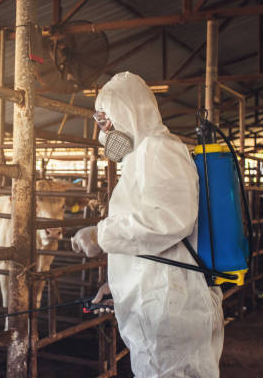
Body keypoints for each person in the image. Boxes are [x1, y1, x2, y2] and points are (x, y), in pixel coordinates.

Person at [71, 72, 224, 377]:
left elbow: (169, 219)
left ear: (129, 111)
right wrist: (119, 283)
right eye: (100, 122)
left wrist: (102, 235)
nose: (104, 132)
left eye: (106, 119)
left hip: (173, 311)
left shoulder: (160, 149)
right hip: (160, 306)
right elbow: (150, 242)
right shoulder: (141, 156)